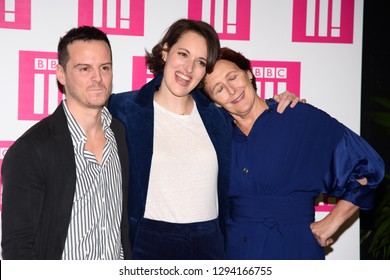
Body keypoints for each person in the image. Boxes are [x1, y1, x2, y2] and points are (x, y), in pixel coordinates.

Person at [108, 19, 298, 260]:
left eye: (199, 62)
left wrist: (285, 104)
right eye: (183, 54)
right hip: (148, 243)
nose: (188, 68)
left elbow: (252, 115)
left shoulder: (218, 116)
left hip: (209, 243)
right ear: (166, 52)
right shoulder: (122, 108)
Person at [202, 47, 385, 260]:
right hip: (235, 252)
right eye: (219, 89)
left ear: (248, 74)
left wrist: (331, 222)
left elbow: (369, 168)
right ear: (215, 101)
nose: (231, 90)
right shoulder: (215, 139)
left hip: (294, 247)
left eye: (233, 77)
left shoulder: (299, 117)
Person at [1, 26, 131, 260]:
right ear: (61, 74)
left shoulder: (118, 134)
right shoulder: (31, 150)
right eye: (84, 69)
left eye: (105, 68)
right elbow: (17, 247)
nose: (98, 78)